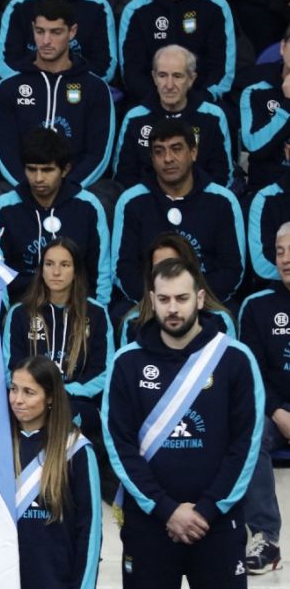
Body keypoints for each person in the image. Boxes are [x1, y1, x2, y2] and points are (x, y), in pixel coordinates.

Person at [101, 257, 262, 589]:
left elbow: (245, 447)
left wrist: (206, 509)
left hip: (217, 523)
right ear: (151, 300)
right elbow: (120, 446)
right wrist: (165, 509)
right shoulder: (126, 363)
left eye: (181, 298)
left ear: (200, 299)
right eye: (163, 299)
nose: (172, 308)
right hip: (149, 524)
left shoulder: (236, 359)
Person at [111, 119, 245, 305]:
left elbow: (231, 270)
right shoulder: (131, 201)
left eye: (176, 149)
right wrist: (161, 302)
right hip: (148, 304)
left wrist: (190, 302)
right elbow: (124, 270)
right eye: (159, 151)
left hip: (207, 304)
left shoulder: (222, 201)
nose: (168, 158)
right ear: (151, 157)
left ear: (193, 152)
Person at [0, 0, 114, 188]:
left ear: (72, 32)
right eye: (40, 31)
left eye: (56, 32)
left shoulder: (95, 88)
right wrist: (28, 188)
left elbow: (98, 154)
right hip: (24, 188)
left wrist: (68, 188)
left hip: (75, 189)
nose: (46, 41)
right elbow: (4, 150)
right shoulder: (9, 88)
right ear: (33, 29)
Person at [3, 238, 113, 436]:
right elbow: (10, 368)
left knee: (72, 416)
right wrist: (38, 394)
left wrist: (62, 393)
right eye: (49, 264)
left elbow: (104, 372)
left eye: (65, 265)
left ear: (76, 270)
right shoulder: (20, 313)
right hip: (29, 401)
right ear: (41, 269)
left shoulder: (96, 313)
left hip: (77, 401)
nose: (56, 272)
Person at [10, 355, 102, 589]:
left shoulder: (76, 448)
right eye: (13, 389)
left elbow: (89, 530)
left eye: (29, 392)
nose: (18, 400)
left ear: (50, 397)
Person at [0, 128, 111, 303]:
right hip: (21, 307)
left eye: (47, 170)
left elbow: (100, 271)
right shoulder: (3, 207)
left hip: (77, 307)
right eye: (31, 169)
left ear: (65, 170)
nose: (38, 178)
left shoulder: (88, 206)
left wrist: (98, 311)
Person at [238, 221, 290, 574]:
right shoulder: (257, 306)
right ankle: (266, 538)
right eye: (280, 251)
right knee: (248, 426)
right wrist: (278, 411)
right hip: (277, 413)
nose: (285, 259)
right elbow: (251, 373)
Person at [117, 0, 235, 102]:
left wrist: (192, 104)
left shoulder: (216, 6)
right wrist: (161, 104)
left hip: (202, 104)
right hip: (151, 106)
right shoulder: (135, 10)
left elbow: (221, 70)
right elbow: (132, 74)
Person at [113, 45, 234, 188]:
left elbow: (222, 176)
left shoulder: (213, 117)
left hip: (200, 204)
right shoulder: (135, 118)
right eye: (162, 75)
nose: (169, 85)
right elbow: (124, 176)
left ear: (191, 79)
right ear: (154, 77)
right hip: (148, 205)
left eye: (177, 76)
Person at [118, 232, 236, 347]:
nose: (167, 273)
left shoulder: (221, 321)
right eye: (159, 268)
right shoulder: (133, 323)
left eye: (174, 266)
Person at [240, 24, 290, 193]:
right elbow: (255, 146)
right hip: (264, 193)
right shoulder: (255, 92)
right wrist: (287, 105)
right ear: (283, 47)